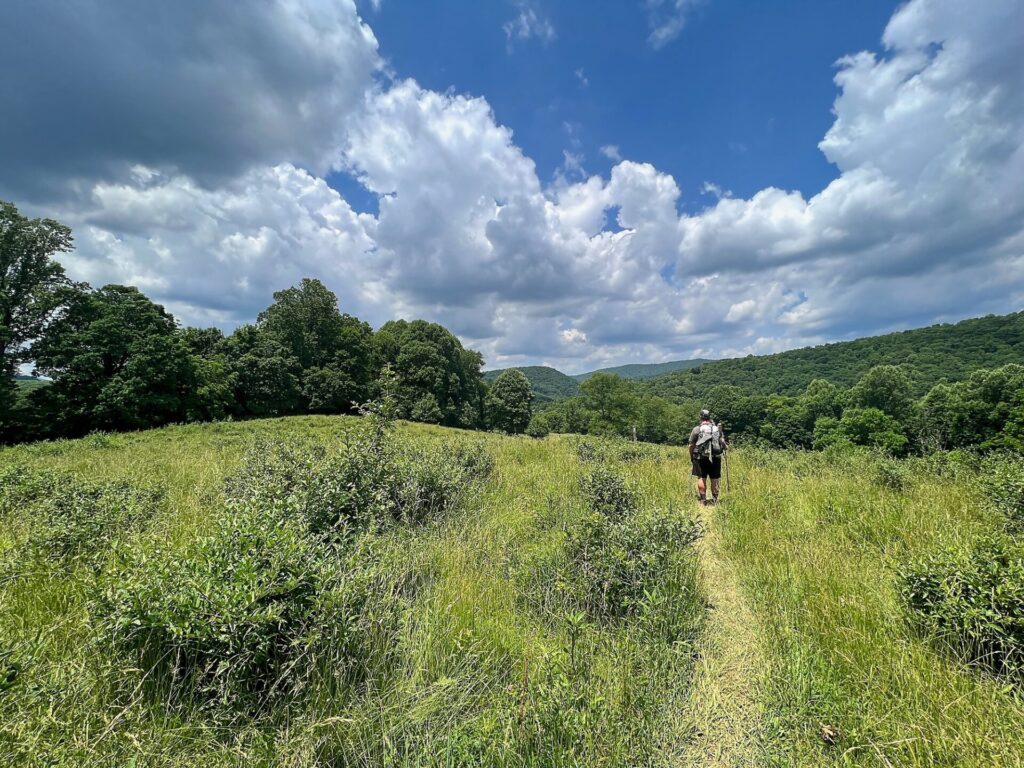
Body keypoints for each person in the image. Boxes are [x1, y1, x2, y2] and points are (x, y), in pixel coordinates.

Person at [688, 409, 728, 506]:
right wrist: (724, 448)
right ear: (710, 417)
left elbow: (691, 445)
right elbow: (722, 442)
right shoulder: (716, 429)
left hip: (701, 457)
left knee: (701, 478)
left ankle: (703, 500)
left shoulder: (697, 429)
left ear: (700, 417)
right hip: (716, 457)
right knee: (715, 479)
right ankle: (715, 501)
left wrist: (692, 456)